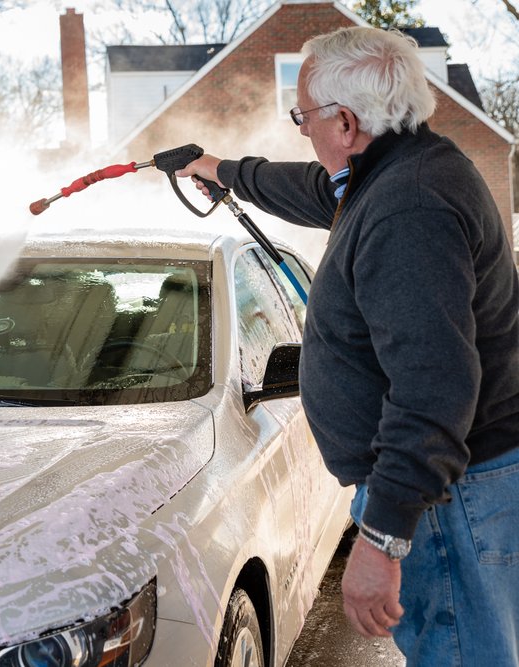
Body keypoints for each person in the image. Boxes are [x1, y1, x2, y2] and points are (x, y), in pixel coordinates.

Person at [177, 25, 519, 666]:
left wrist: (384, 536)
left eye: (303, 116)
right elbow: (315, 189)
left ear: (345, 121)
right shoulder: (399, 170)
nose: (300, 128)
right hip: (455, 488)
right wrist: (219, 170)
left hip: (446, 500)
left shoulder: (409, 209)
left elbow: (433, 386)